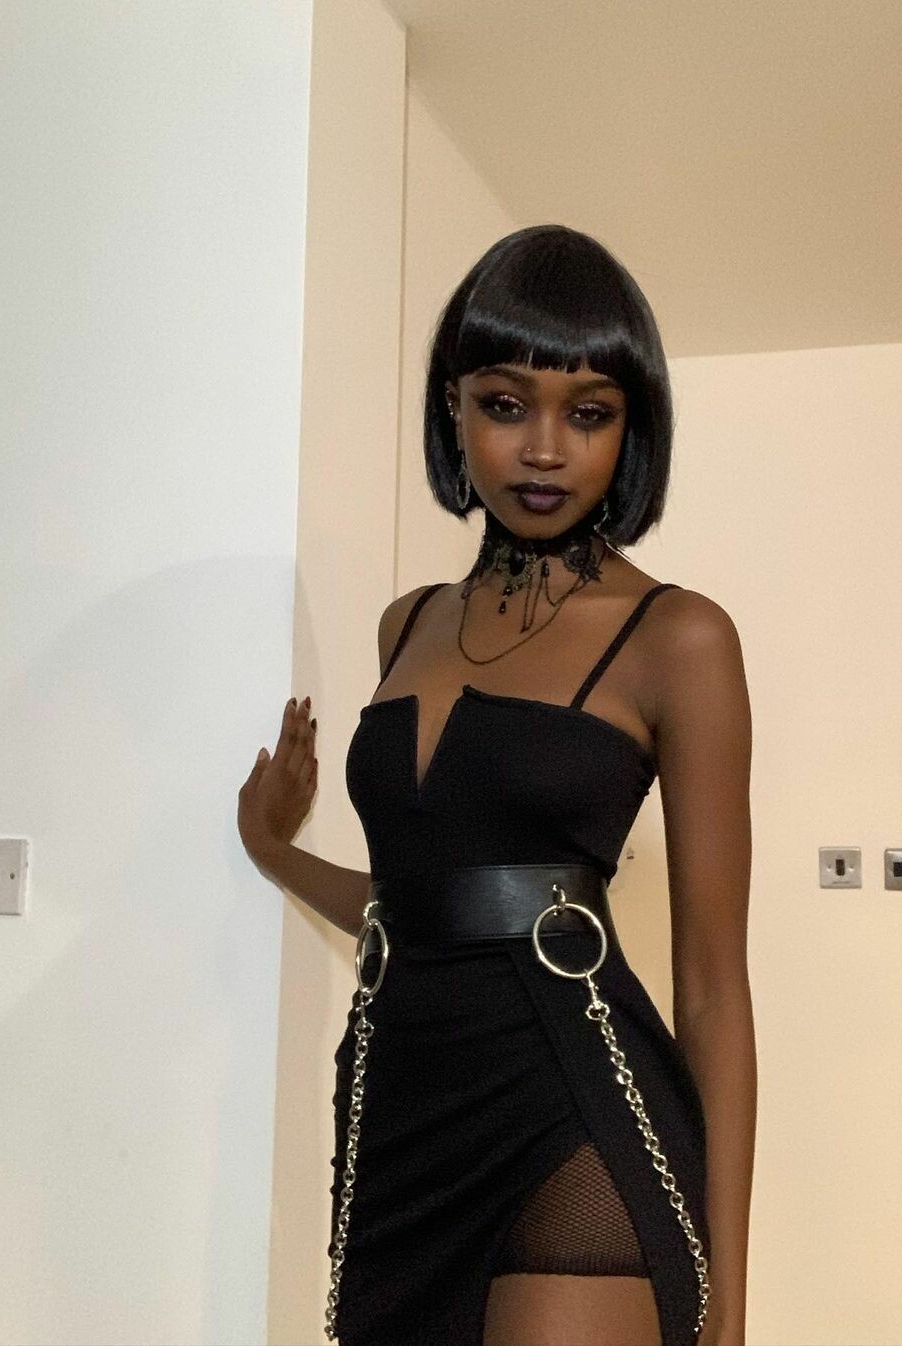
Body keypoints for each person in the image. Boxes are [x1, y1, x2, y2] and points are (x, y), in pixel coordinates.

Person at [238, 224, 756, 1346]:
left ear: (633, 429)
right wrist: (274, 851)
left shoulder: (679, 637)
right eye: (507, 404)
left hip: (575, 1106)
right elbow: (424, 906)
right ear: (454, 408)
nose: (545, 450)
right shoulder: (407, 625)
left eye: (590, 413)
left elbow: (714, 985)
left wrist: (730, 1301)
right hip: (399, 1107)